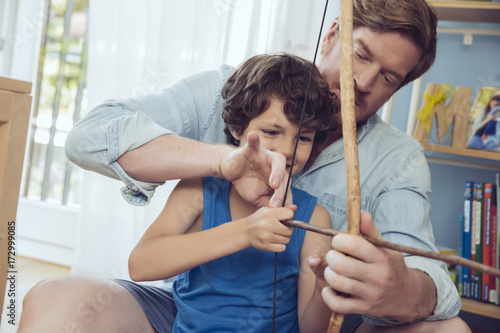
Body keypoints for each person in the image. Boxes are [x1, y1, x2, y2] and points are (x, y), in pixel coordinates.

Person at [19, 0, 470, 332]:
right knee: (55, 301)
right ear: (332, 34)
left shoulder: (397, 161)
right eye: (362, 54)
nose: (364, 83)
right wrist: (223, 162)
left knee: (451, 331)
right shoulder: (237, 90)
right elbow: (90, 136)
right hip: (191, 315)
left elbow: (425, 278)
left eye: (389, 77)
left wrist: (400, 287)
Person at [121, 53, 338, 332]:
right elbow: (140, 265)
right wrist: (246, 232)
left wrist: (324, 288)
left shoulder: (315, 219)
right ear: (238, 128)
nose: (286, 149)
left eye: (303, 138)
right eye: (272, 131)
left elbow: (312, 330)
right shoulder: (201, 189)